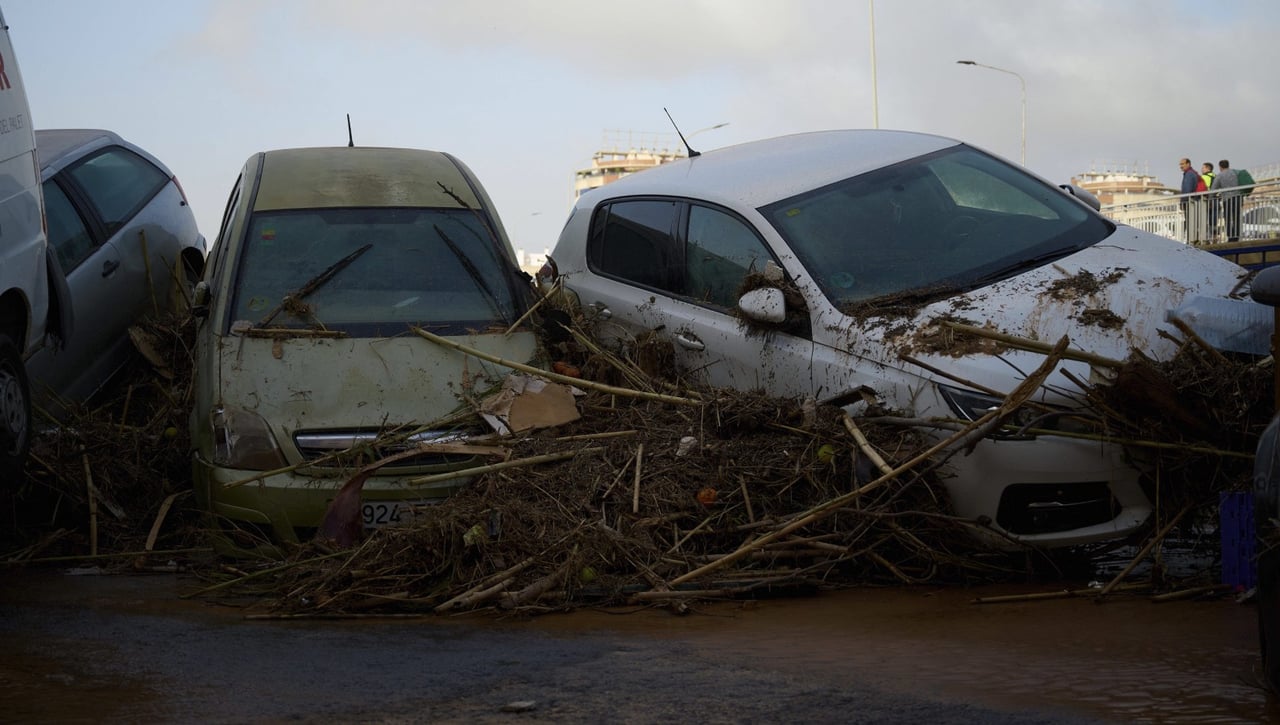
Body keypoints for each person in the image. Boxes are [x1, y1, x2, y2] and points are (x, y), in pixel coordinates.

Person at [1211, 159, 1242, 242]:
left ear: (1220, 167)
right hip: (1238, 197)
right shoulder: (1235, 173)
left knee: (1228, 218)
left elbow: (1214, 188)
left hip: (1227, 199)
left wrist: (1211, 198)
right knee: (1236, 217)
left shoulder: (1220, 175)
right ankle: (1237, 235)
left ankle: (1230, 236)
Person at [1178, 158, 1203, 241]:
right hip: (1193, 201)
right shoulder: (1192, 173)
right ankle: (1193, 239)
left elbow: (1187, 189)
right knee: (1193, 221)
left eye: (1183, 164)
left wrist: (1182, 202)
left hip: (1190, 202)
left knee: (1190, 221)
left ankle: (1191, 240)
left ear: (1188, 164)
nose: (1181, 166)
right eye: (1180, 164)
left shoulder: (1189, 174)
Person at [1201, 162, 1218, 240]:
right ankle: (1215, 236)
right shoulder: (1216, 176)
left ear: (1208, 168)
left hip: (1208, 200)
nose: (1201, 169)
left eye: (1203, 168)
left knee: (1205, 219)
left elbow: (1205, 189)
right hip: (1216, 200)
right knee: (1214, 220)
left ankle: (1205, 238)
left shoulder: (1204, 177)